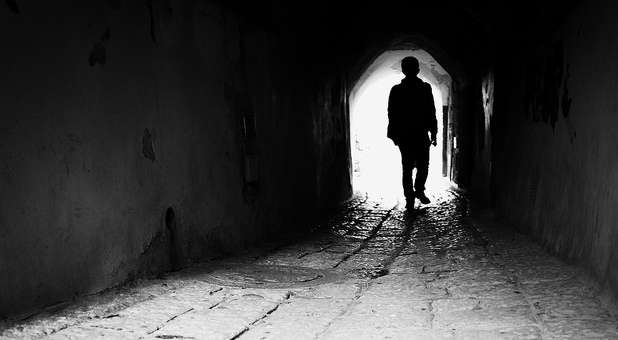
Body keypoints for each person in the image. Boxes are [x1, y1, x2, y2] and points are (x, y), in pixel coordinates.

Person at [387, 56, 437, 207]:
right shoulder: (425, 88)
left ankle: (411, 196)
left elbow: (391, 113)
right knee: (421, 165)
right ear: (418, 69)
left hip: (406, 134)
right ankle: (417, 191)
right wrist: (434, 132)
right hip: (417, 133)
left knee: (408, 167)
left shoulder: (397, 90)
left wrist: (394, 134)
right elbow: (431, 111)